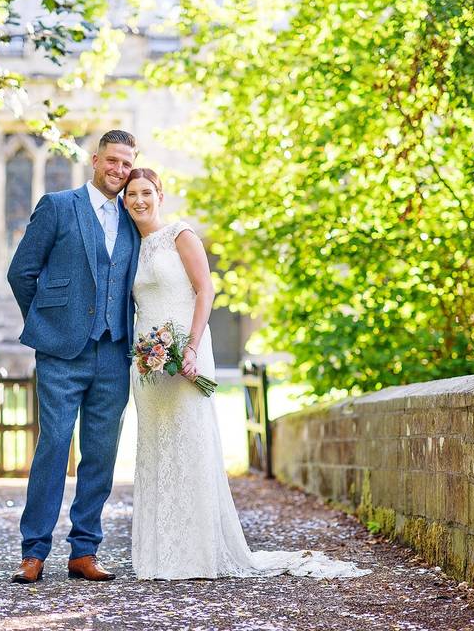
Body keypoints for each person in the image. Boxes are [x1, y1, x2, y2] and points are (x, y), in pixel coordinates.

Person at [124, 168, 371, 580]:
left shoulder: (180, 235)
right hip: (150, 365)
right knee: (157, 453)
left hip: (187, 354)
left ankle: (198, 555)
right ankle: (160, 554)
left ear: (160, 194)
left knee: (189, 447)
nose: (138, 200)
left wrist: (189, 347)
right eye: (131, 194)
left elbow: (205, 290)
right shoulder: (132, 246)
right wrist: (147, 353)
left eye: (146, 192)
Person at [6, 130, 140, 583]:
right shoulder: (59, 206)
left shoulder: (133, 218)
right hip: (62, 353)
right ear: (95, 158)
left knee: (101, 454)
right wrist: (48, 323)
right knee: (54, 445)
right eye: (112, 161)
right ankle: (34, 551)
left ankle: (85, 550)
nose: (118, 171)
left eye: (126, 164)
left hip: (114, 353)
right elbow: (21, 272)